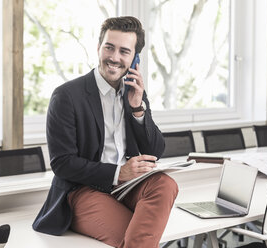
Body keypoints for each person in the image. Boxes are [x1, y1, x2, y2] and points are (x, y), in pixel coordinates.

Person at [32, 16, 179, 248]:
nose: (114, 57)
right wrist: (118, 173)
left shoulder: (134, 93)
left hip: (126, 187)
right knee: (134, 237)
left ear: (134, 58)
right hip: (82, 190)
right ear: (99, 47)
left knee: (166, 184)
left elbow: (155, 151)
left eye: (124, 51)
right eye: (109, 47)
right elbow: (62, 163)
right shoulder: (67, 96)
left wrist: (137, 108)